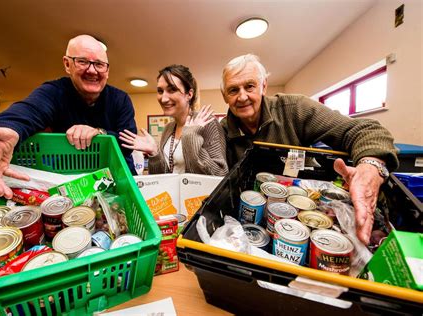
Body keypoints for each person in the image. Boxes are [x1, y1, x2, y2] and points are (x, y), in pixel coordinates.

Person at [220, 54, 398, 245]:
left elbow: (367, 131)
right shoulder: (221, 132)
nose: (243, 96)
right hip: (251, 222)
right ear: (224, 96)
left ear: (264, 86)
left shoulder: (294, 109)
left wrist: (369, 168)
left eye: (249, 86)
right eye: (233, 90)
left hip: (302, 208)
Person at [0, 34, 138, 199]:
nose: (92, 70)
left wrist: (100, 132)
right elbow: (27, 110)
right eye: (82, 61)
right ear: (67, 64)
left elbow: (128, 143)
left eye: (99, 64)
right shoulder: (54, 92)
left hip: (118, 181)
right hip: (70, 181)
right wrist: (7, 129)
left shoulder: (120, 99)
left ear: (107, 70)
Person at [119, 64, 228, 176]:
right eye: (160, 91)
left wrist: (190, 136)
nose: (164, 98)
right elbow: (164, 175)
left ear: (189, 94)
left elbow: (220, 174)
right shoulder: (168, 128)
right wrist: (154, 153)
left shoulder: (207, 123)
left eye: (172, 90)